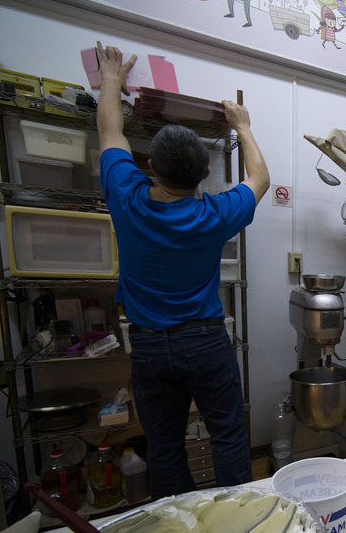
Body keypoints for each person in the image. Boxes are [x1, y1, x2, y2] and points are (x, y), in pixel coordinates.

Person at [95, 42, 270, 499]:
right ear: (206, 171)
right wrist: (243, 126)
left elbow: (109, 131)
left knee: (165, 447)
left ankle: (182, 531)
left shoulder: (125, 195)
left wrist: (111, 81)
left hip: (149, 345)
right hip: (205, 342)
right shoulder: (215, 214)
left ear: (150, 167)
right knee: (229, 438)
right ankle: (239, 526)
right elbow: (259, 179)